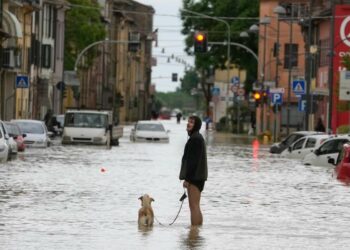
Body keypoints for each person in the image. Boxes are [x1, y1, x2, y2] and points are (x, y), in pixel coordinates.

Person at [179, 115, 208, 226]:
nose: (188, 123)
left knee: (193, 205)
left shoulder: (195, 139)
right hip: (198, 177)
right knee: (196, 205)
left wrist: (187, 179)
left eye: (192, 122)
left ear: (196, 125)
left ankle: (194, 232)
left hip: (195, 178)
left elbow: (193, 162)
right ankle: (197, 232)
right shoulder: (196, 138)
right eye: (188, 121)